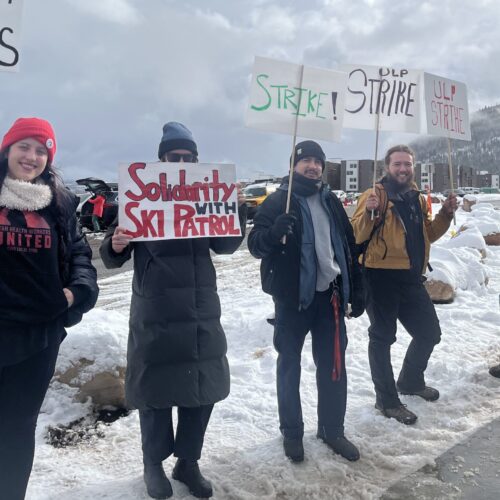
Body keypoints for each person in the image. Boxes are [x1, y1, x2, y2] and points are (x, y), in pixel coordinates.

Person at [100, 122, 247, 499]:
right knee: (155, 391)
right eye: (173, 157)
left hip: (201, 310)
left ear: (196, 161)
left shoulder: (206, 193)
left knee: (204, 387)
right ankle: (153, 463)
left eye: (187, 157)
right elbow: (112, 255)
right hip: (156, 309)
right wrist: (116, 244)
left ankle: (188, 461)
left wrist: (236, 209)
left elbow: (227, 245)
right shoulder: (142, 195)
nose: (180, 162)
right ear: (161, 159)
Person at [0, 117, 98, 499]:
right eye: (25, 146)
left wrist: (75, 294)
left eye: (42, 150)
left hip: (38, 338)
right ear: (8, 149)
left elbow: (78, 253)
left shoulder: (59, 203)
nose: (32, 156)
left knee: (17, 430)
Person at [248, 140, 364, 463]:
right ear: (293, 166)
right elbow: (254, 245)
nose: (312, 166)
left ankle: (331, 429)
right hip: (292, 301)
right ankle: (292, 432)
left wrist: (358, 287)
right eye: (306, 161)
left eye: (317, 161)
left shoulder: (331, 201)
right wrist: (272, 235)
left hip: (331, 299)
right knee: (289, 368)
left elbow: (349, 246)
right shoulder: (277, 203)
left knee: (333, 368)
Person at [351, 144, 457, 425]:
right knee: (382, 338)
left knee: (429, 332)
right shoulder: (373, 196)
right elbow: (355, 233)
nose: (403, 169)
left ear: (413, 167)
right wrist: (369, 213)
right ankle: (386, 400)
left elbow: (428, 236)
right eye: (397, 164)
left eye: (407, 164)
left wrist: (445, 214)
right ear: (387, 167)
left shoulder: (418, 198)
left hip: (411, 278)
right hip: (379, 277)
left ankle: (410, 380)